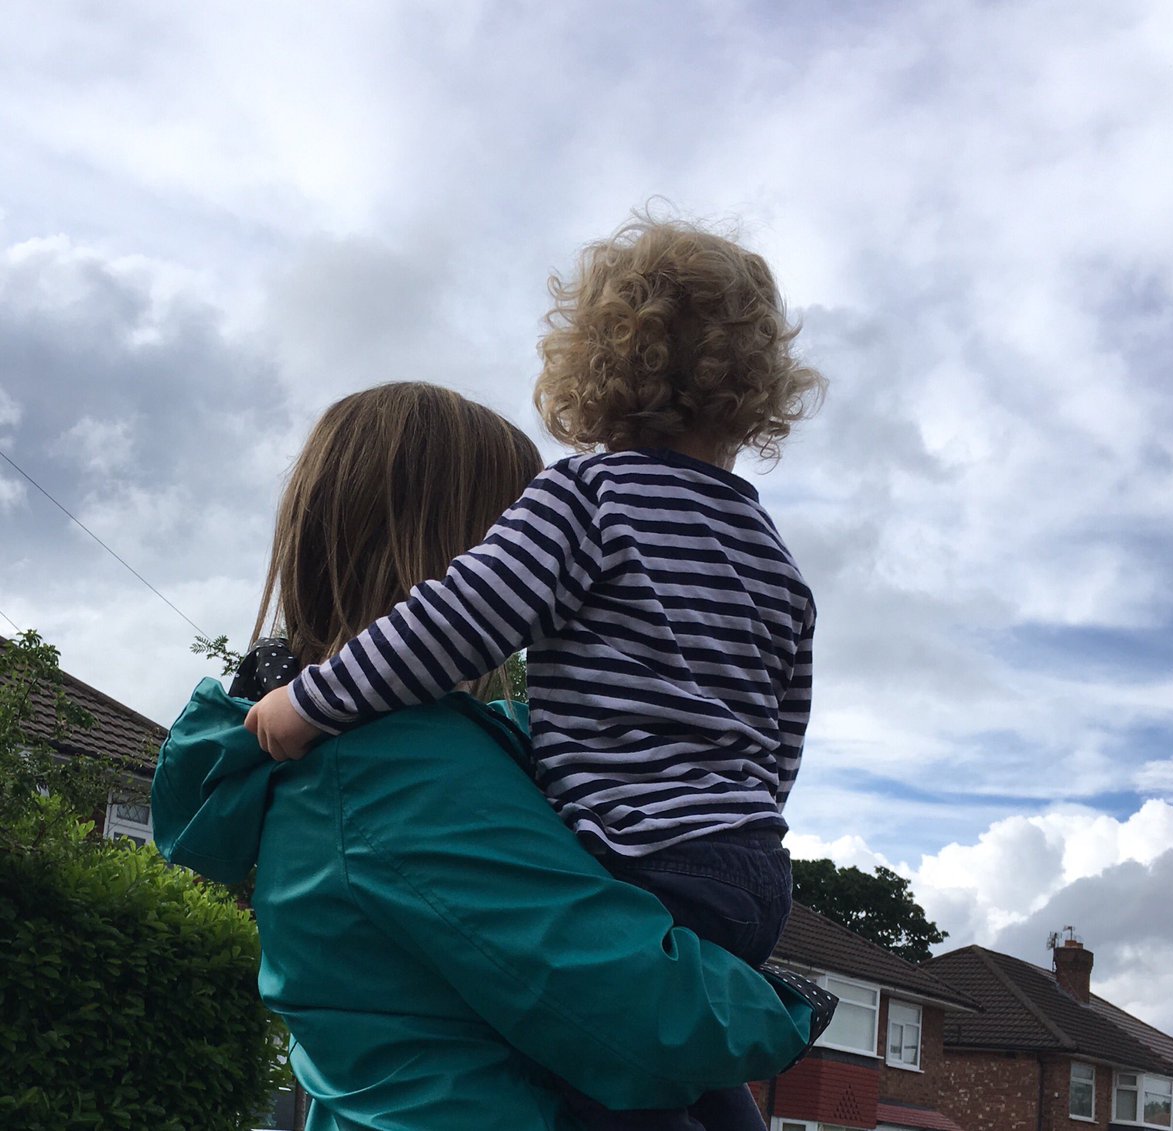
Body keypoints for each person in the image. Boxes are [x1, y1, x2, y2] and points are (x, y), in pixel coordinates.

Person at [246, 218, 827, 1128]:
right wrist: (737, 817)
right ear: (759, 395)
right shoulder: (776, 558)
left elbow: (456, 622)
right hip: (751, 861)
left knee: (607, 1079)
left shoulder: (584, 497)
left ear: (590, 373)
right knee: (698, 1081)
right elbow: (778, 734)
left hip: (637, 848)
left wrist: (308, 703)